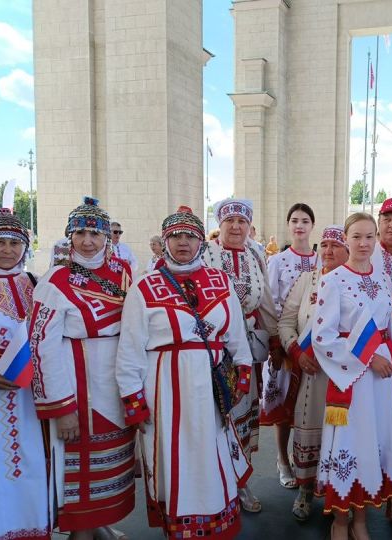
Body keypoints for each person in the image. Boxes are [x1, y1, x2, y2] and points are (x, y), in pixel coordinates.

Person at [116, 206, 254, 539]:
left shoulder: (220, 282)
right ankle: (179, 529)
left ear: (201, 243)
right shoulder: (144, 287)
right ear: (164, 242)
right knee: (173, 460)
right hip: (165, 389)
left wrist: (244, 373)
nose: (183, 243)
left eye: (190, 236)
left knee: (212, 455)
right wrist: (133, 400)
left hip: (212, 388)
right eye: (175, 236)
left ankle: (215, 524)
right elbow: (130, 349)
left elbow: (236, 334)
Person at [30, 197, 135, 539]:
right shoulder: (55, 280)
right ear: (69, 237)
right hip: (80, 388)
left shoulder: (123, 274)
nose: (88, 241)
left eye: (95, 233)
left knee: (114, 461)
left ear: (107, 237)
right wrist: (62, 408)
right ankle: (83, 532)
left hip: (118, 385)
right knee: (83, 471)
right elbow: (41, 347)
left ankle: (100, 524)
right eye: (80, 233)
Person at [313, 212, 392, 540]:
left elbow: (387, 329)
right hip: (351, 378)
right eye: (356, 237)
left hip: (379, 381)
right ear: (345, 239)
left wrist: (389, 359)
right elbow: (323, 336)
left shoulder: (383, 281)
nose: (363, 243)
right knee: (347, 444)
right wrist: (369, 358)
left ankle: (360, 520)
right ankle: (339, 520)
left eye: (369, 237)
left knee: (369, 444)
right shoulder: (332, 280)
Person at [203, 198, 283, 513]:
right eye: (229, 221)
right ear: (219, 225)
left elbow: (264, 300)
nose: (236, 227)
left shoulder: (255, 254)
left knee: (242, 415)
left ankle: (240, 483)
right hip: (210, 351)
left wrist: (275, 338)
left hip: (245, 350)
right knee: (213, 416)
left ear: (249, 226)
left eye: (242, 221)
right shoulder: (204, 254)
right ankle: (213, 484)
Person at [0, 209, 50, 540]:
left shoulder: (36, 283)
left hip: (27, 398)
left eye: (14, 243)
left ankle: (29, 529)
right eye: (0, 243)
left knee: (31, 464)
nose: (8, 250)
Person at [278, 224, 349, 521]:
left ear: (348, 250)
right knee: (309, 429)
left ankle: (337, 493)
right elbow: (285, 322)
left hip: (343, 375)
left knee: (342, 436)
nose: (329, 251)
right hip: (311, 373)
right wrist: (296, 352)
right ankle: (306, 490)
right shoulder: (307, 279)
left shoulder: (356, 281)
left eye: (336, 245)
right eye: (325, 245)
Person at [261, 203, 319, 489]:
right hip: (286, 343)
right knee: (283, 406)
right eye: (294, 220)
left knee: (307, 405)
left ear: (312, 226)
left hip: (313, 346)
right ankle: (283, 460)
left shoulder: (322, 260)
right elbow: (270, 304)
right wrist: (276, 341)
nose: (299, 225)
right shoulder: (278, 261)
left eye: (305, 220)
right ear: (288, 225)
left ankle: (306, 460)